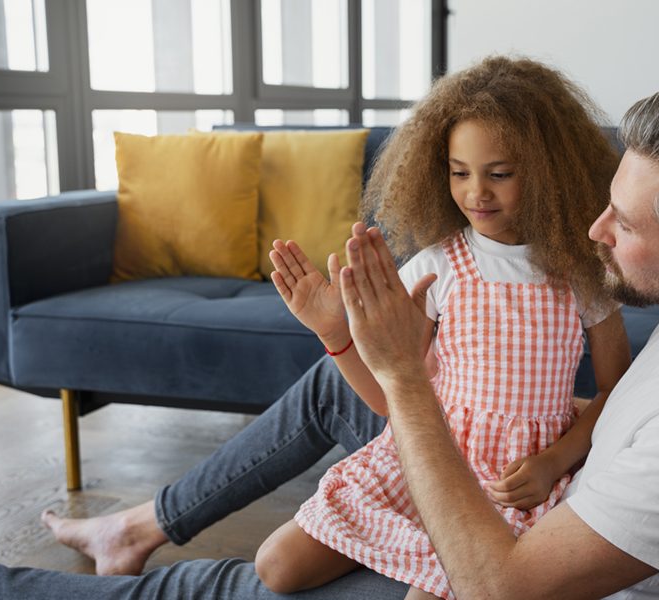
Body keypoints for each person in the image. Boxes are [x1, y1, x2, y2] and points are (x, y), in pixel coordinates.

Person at [0, 85, 659, 600]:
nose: (597, 228)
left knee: (245, 585)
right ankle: (143, 523)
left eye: (625, 220)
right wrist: (367, 352)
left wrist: (407, 380)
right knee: (337, 380)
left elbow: (503, 583)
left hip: (507, 559)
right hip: (522, 487)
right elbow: (627, 418)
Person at [254, 57, 630, 600]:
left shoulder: (584, 273)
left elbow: (615, 392)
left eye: (499, 173)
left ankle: (424, 572)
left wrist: (554, 462)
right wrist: (333, 333)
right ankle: (420, 564)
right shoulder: (439, 267)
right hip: (426, 462)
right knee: (276, 565)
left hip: (512, 487)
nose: (476, 192)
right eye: (459, 172)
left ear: (550, 170)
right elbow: (390, 402)